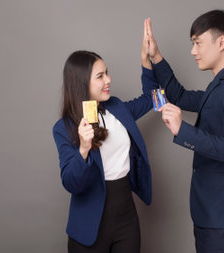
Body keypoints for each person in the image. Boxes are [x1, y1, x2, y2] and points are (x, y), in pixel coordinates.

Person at [144, 10, 224, 253]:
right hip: (210, 213)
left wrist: (182, 131)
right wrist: (156, 57)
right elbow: (181, 96)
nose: (193, 51)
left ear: (221, 42)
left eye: (198, 43)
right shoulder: (220, 85)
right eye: (192, 43)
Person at [52, 23, 157, 252]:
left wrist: (146, 60)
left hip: (126, 217)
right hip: (89, 226)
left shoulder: (117, 107)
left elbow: (150, 98)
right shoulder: (64, 128)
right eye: (100, 76)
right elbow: (71, 182)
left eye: (107, 73)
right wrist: (83, 148)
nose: (108, 79)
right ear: (82, 83)